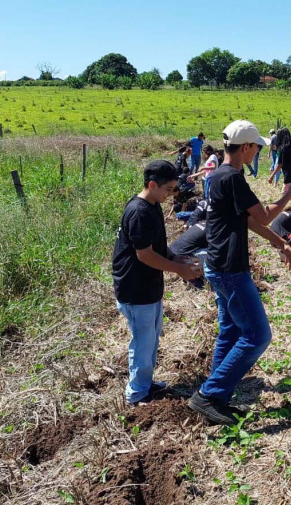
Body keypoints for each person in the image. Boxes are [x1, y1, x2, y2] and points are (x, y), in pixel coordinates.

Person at [188, 120, 291, 425]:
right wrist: (289, 192)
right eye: (256, 147)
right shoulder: (231, 179)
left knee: (230, 331)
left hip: (219, 265)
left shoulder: (219, 176)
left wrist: (282, 244)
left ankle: (217, 395)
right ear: (245, 147)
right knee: (257, 335)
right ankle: (210, 394)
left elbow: (249, 222)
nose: (257, 152)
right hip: (229, 268)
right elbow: (266, 217)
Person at [112, 160, 202, 405]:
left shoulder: (152, 205)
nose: (171, 194)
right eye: (168, 189)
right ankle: (136, 393)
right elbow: (145, 254)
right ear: (152, 185)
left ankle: (145, 383)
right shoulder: (139, 212)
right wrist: (179, 270)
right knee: (142, 342)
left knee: (151, 338)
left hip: (148, 286)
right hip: (135, 288)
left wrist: (174, 257)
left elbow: (158, 247)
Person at [267, 127, 291, 195]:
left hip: (289, 175)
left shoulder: (284, 148)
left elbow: (280, 164)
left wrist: (271, 176)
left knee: (285, 192)